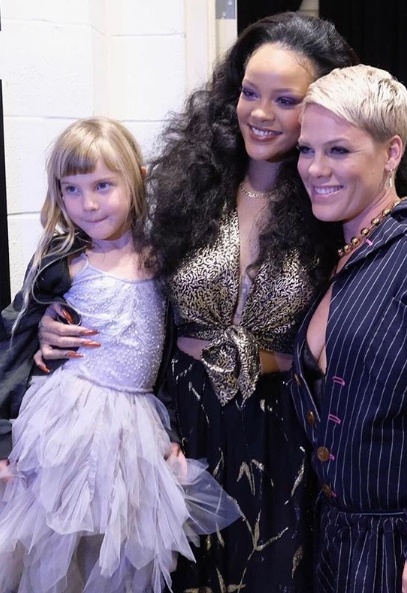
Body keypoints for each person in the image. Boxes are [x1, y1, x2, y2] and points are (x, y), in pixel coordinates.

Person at [32, 12, 407, 593]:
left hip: (289, 444)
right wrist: (50, 319)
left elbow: (398, 299)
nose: (260, 113)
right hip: (180, 435)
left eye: (285, 99)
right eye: (249, 92)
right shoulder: (185, 190)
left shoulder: (335, 201)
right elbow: (102, 266)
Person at [0, 117, 239, 593]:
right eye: (72, 189)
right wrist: (4, 441)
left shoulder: (162, 258)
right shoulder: (62, 259)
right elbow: (16, 340)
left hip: (135, 430)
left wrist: (170, 429)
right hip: (65, 424)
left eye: (103, 185)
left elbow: (167, 355)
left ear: (135, 179)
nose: (87, 203)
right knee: (57, 549)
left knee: (122, 558)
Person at [292, 64, 407, 593]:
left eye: (339, 150)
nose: (315, 168)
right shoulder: (336, 250)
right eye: (307, 149)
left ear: (391, 153)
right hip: (336, 544)